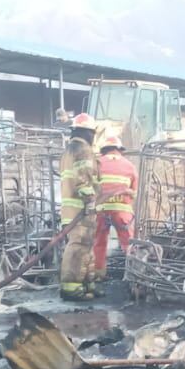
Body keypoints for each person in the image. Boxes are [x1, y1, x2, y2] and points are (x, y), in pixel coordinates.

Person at [58, 113, 100, 301]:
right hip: (81, 210)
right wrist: (90, 200)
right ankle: (71, 289)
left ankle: (87, 284)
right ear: (88, 132)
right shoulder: (83, 149)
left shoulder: (68, 151)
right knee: (77, 248)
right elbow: (83, 179)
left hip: (71, 210)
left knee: (85, 248)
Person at [91, 135, 137, 286]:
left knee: (99, 242)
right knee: (129, 244)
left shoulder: (96, 164)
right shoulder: (130, 166)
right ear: (120, 150)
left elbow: (91, 188)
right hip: (122, 210)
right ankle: (132, 275)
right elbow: (134, 193)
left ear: (104, 150)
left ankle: (98, 275)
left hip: (101, 210)